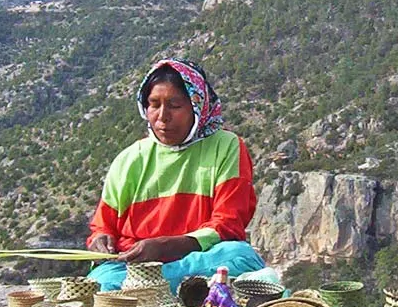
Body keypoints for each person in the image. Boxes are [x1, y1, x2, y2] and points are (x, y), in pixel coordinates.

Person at [86, 58, 265, 292]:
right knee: (99, 281)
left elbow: (228, 223)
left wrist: (169, 246)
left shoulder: (226, 146)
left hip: (199, 258)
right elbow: (103, 225)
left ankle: (142, 290)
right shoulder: (129, 160)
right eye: (154, 104)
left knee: (240, 256)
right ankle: (167, 287)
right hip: (134, 267)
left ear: (197, 107)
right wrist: (100, 240)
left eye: (175, 105)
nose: (163, 116)